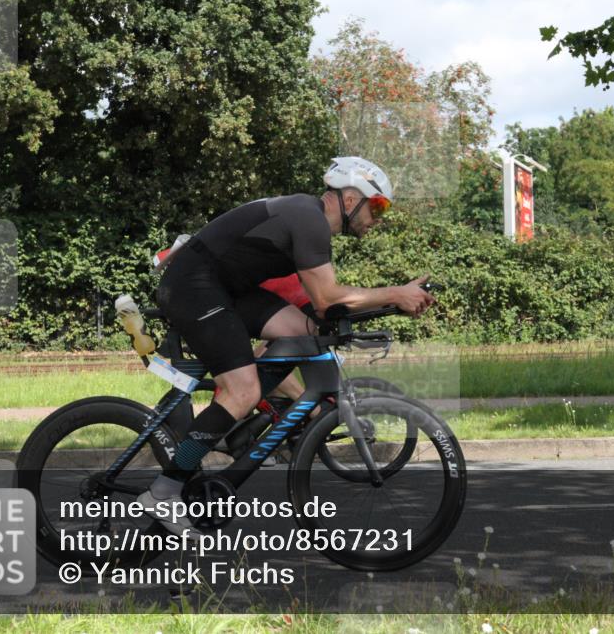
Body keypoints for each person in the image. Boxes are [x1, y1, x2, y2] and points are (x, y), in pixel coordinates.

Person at [138, 157, 435, 533]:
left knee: (306, 330)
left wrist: (396, 303)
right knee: (241, 389)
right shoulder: (308, 218)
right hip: (193, 286)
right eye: (377, 206)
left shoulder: (308, 219)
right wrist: (395, 293)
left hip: (226, 289)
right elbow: (329, 297)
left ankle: (247, 420)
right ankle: (164, 490)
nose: (378, 218)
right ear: (348, 198)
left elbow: (322, 312)